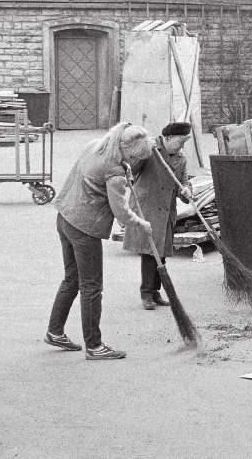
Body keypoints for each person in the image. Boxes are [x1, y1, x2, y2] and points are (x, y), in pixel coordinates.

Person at [45, 122, 154, 361]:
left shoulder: (94, 146)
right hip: (85, 228)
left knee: (72, 279)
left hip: (65, 218)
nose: (135, 162)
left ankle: (55, 332)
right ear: (126, 149)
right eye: (135, 157)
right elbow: (121, 212)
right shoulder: (114, 172)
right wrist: (141, 224)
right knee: (92, 287)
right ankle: (94, 346)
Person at [123, 122, 193, 310]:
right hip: (148, 208)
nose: (182, 147)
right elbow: (131, 168)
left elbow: (184, 182)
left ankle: (155, 291)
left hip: (166, 210)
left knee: (160, 254)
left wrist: (186, 191)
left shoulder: (181, 159)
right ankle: (146, 293)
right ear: (168, 139)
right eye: (180, 142)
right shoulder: (150, 150)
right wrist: (143, 150)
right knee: (149, 252)